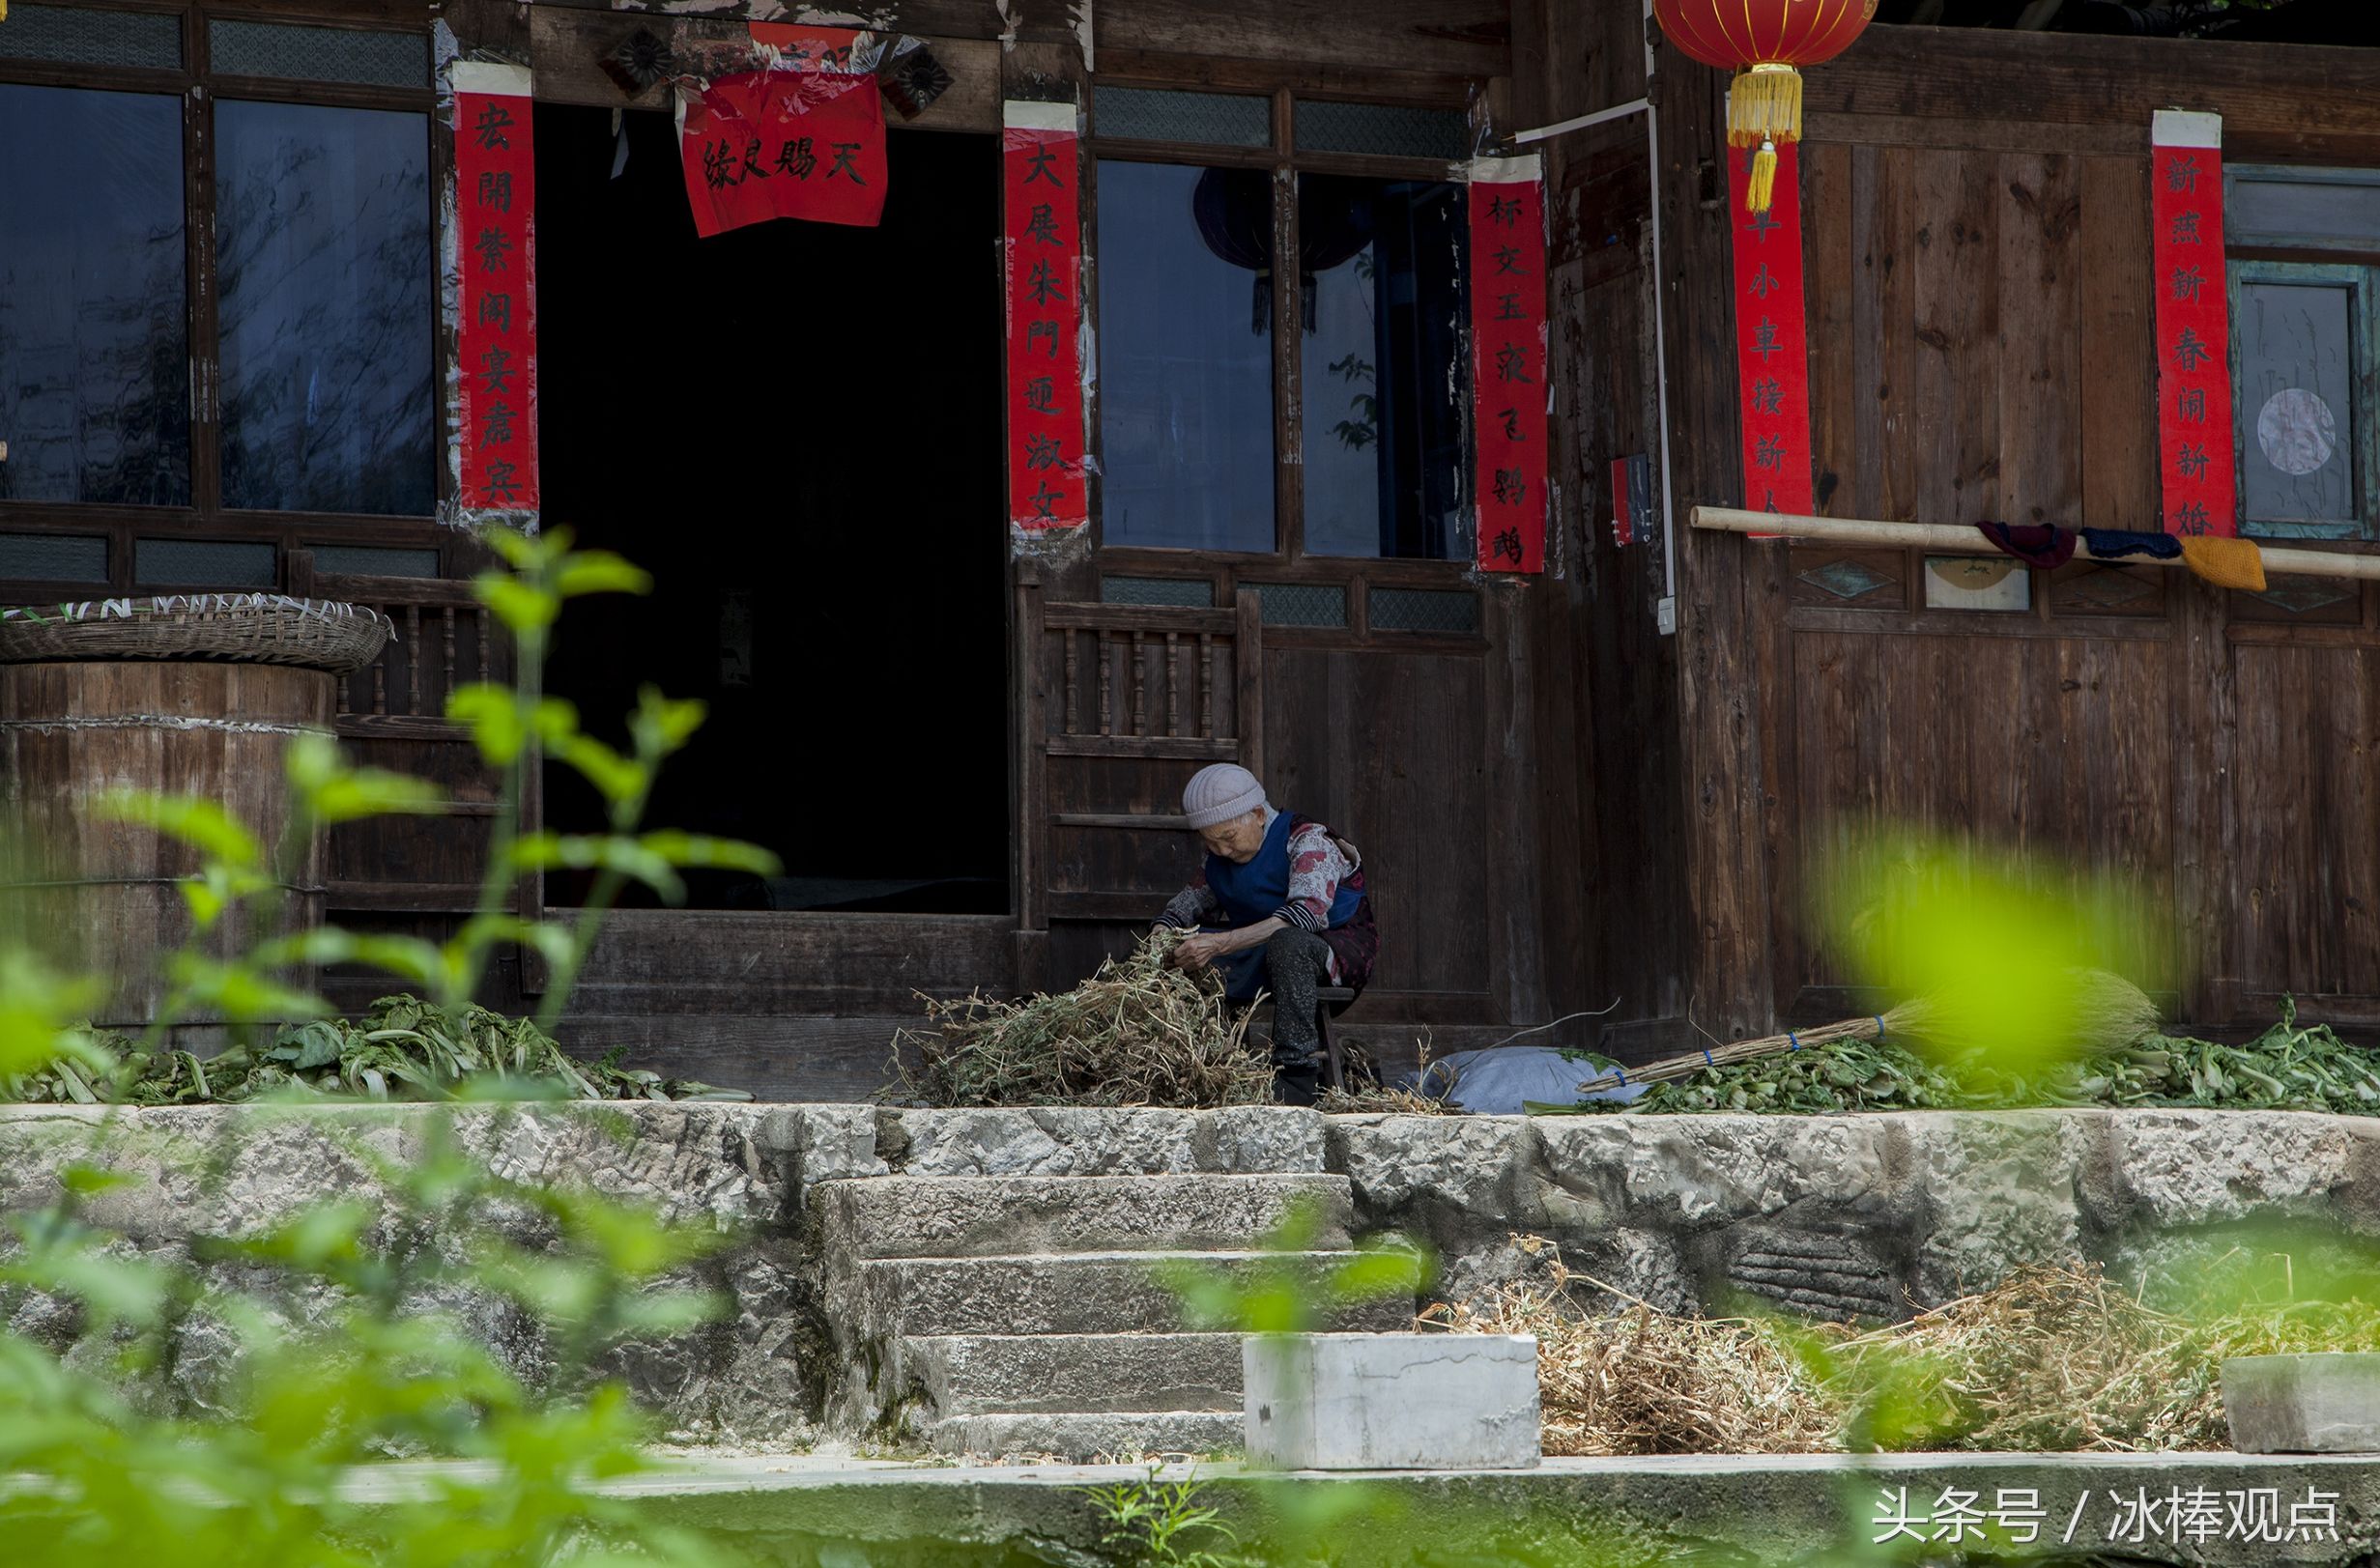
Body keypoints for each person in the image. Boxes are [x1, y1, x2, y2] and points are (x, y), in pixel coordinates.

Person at [1155, 763, 1377, 1104]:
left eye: (1228, 838)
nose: (1222, 852)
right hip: (1260, 949)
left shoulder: (1308, 841)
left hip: (1328, 949)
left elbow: (1302, 917)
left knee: (1288, 944)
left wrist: (1220, 942)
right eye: (1211, 843)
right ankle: (1219, 1065)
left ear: (1258, 814)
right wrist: (1161, 935)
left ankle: (1296, 1075)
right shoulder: (1218, 858)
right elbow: (1184, 908)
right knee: (1183, 949)